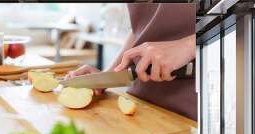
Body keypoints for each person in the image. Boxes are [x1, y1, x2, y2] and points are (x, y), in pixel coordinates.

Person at [65, 3, 197, 121]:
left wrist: (188, 46)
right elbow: (141, 26)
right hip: (141, 103)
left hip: (196, 109)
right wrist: (107, 76)